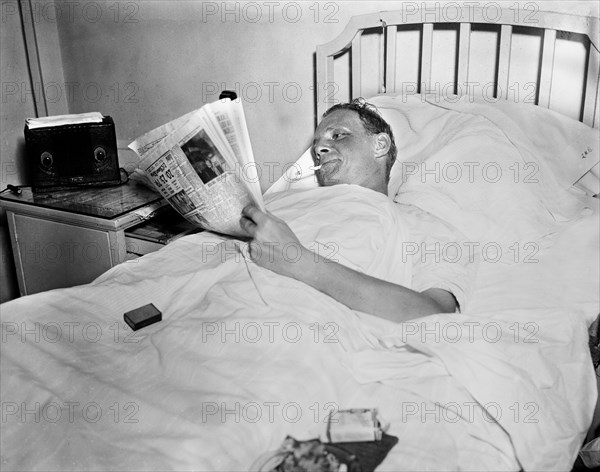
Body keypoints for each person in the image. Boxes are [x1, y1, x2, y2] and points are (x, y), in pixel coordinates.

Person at [240, 99, 462, 323]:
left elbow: (435, 316)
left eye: (338, 135)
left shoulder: (421, 225)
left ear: (380, 145)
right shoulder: (278, 200)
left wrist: (301, 264)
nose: (318, 149)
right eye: (316, 145)